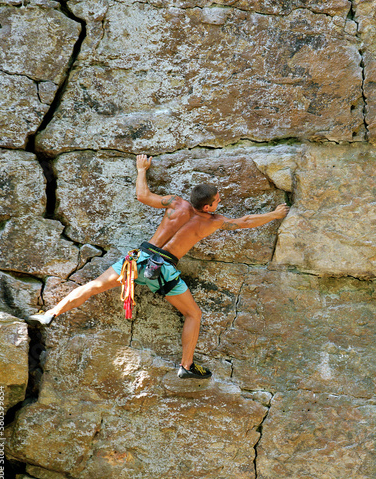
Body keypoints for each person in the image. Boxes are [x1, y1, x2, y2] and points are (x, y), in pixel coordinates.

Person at [29, 154, 290, 379]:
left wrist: (141, 170)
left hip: (138, 260)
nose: (219, 204)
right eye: (218, 201)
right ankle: (186, 366)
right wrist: (274, 215)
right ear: (208, 206)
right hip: (163, 271)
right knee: (193, 315)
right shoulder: (213, 221)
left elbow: (142, 195)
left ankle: (51, 313)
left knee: (91, 287)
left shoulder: (176, 203)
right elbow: (244, 221)